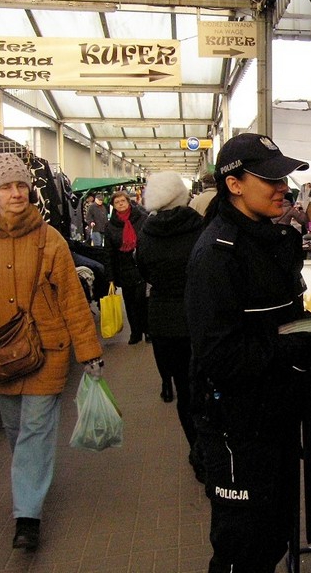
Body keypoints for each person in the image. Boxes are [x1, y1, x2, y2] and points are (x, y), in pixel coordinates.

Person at [185, 133, 311, 573]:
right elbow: (221, 357)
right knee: (242, 551)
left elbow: (282, 317)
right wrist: (306, 340)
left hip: (279, 419)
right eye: (270, 178)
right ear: (234, 184)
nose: (283, 185)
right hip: (238, 432)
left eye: (284, 175)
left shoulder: (271, 239)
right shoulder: (216, 253)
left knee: (273, 539)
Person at [0, 153, 103, 552]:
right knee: (17, 432)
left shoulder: (50, 238)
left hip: (47, 350)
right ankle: (32, 477)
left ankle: (27, 516)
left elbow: (73, 301)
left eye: (21, 185)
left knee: (36, 430)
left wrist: (89, 351)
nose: (16, 193)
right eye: (7, 187)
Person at [136, 172, 204, 479]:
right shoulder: (199, 227)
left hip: (163, 319)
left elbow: (144, 272)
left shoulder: (146, 233)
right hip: (198, 317)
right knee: (204, 387)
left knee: (182, 389)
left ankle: (195, 449)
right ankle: (209, 449)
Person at [104, 190, 149, 344]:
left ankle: (148, 330)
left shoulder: (142, 219)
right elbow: (109, 253)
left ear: (128, 202)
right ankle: (135, 333)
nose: (120, 204)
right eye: (117, 202)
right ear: (113, 206)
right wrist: (110, 277)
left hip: (142, 266)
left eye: (123, 201)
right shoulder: (110, 226)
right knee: (130, 303)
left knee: (143, 300)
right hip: (124, 269)